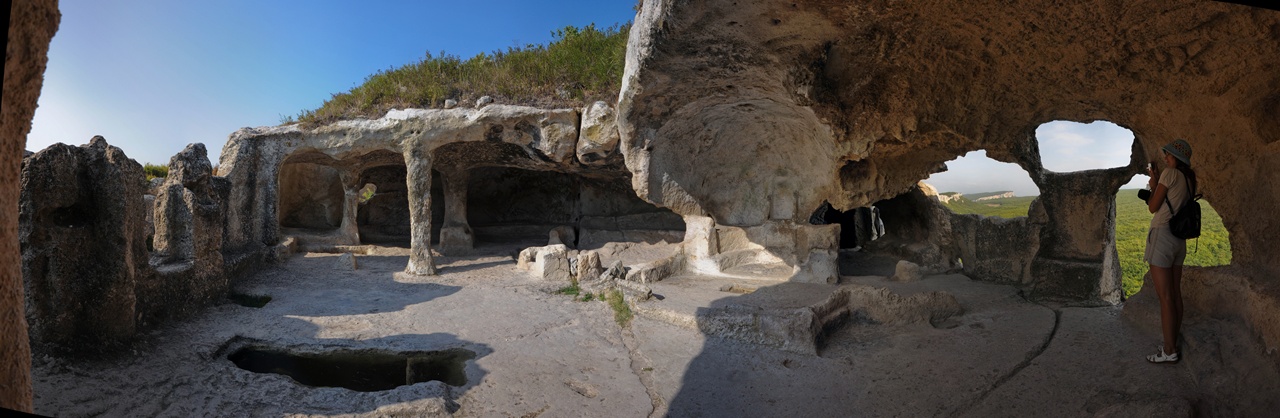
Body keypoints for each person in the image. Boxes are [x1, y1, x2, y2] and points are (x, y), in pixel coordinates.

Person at [1142, 139, 1195, 364]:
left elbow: (1153, 207)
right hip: (1178, 240)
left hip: (1163, 236)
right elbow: (1171, 202)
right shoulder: (1190, 179)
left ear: (1176, 158)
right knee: (1174, 294)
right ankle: (1171, 339)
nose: (1166, 159)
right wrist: (1156, 183)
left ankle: (1169, 349)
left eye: (1169, 156)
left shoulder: (1169, 174)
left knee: (1165, 298)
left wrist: (1154, 183)